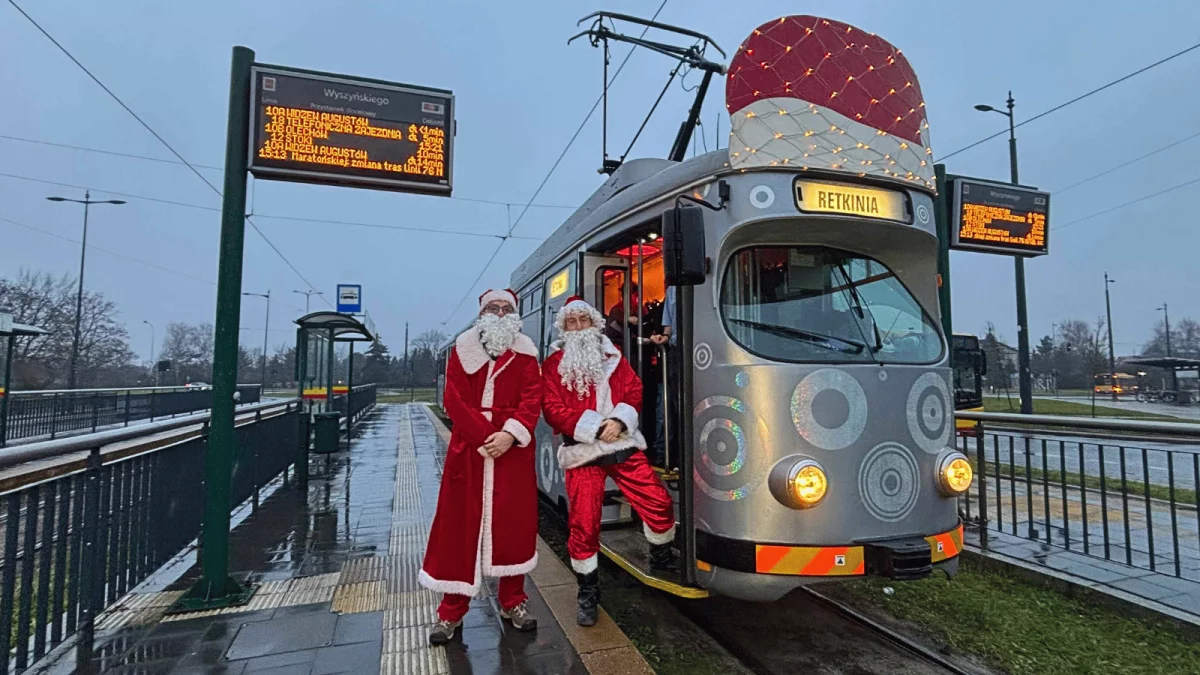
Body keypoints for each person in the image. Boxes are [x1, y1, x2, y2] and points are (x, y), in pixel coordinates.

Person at [541, 296, 679, 627]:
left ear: (594, 324)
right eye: (570, 322)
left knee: (658, 501)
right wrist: (593, 428)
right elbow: (552, 408)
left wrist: (619, 421)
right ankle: (588, 592)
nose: (577, 327)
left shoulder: (614, 357)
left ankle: (660, 555)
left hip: (620, 442)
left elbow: (633, 391)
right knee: (584, 523)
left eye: (582, 321)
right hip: (584, 451)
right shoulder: (554, 364)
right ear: (564, 328)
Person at [420, 288, 543, 645]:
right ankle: (450, 610)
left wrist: (509, 435)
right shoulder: (463, 349)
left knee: (514, 525)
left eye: (507, 308)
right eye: (494, 307)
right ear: (482, 312)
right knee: (459, 527)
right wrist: (484, 436)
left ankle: (513, 601)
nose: (501, 313)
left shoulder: (526, 352)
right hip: (470, 451)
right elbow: (453, 398)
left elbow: (532, 397)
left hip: (513, 452)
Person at [649, 285, 675, 467]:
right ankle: (664, 452)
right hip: (674, 352)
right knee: (667, 405)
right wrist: (664, 337)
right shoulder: (671, 290)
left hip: (695, 348)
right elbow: (668, 324)